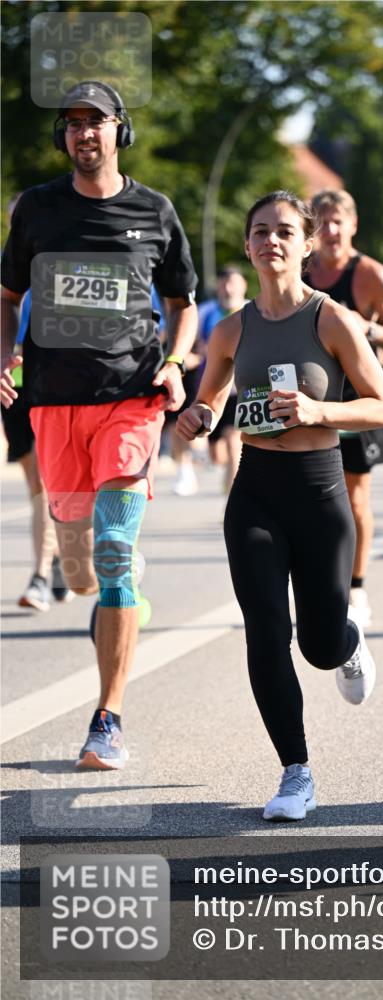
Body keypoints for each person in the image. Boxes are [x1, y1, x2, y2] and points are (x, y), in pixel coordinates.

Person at [177, 190, 383, 821]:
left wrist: (319, 409)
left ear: (305, 244)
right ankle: (295, 773)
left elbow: (380, 405)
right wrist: (198, 414)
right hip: (256, 494)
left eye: (284, 231)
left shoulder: (332, 319)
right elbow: (213, 397)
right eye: (260, 231)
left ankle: (346, 642)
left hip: (321, 493)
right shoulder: (230, 329)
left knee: (318, 645)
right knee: (266, 630)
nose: (271, 240)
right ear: (247, 245)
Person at [1, 80, 198, 769]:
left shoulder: (155, 211)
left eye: (97, 121)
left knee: (112, 561)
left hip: (130, 399)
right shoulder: (37, 211)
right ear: (64, 137)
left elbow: (184, 304)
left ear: (121, 130)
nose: (85, 133)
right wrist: (7, 355)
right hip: (54, 404)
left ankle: (106, 720)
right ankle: (114, 577)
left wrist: (175, 362)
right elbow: (6, 296)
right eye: (72, 123)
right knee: (81, 573)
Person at [305, 189, 383, 626]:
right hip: (310, 395)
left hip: (357, 397)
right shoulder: (301, 269)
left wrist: (365, 326)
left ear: (352, 225)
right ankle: (319, 583)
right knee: (310, 498)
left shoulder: (369, 275)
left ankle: (357, 588)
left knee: (356, 498)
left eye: (337, 221)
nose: (330, 230)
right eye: (322, 221)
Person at [1, 194, 73, 611]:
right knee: (38, 488)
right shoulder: (3, 265)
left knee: (50, 486)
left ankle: (42, 574)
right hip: (13, 388)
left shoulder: (59, 262)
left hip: (56, 388)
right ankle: (60, 558)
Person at [198, 265, 248, 494]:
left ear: (243, 287)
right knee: (217, 455)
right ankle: (231, 480)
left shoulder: (253, 312)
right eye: (224, 284)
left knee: (233, 445)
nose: (228, 289)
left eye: (233, 284)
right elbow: (197, 346)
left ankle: (233, 501)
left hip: (241, 391)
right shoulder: (206, 312)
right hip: (214, 390)